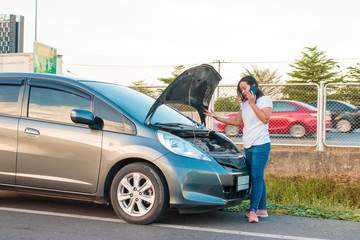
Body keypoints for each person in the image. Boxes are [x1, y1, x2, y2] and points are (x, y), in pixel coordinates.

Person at [205, 75, 273, 223]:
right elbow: (236, 122)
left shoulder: (264, 100)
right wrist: (217, 117)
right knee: (257, 177)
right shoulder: (244, 104)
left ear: (254, 86)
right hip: (248, 145)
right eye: (241, 89)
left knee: (256, 177)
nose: (243, 91)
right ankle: (262, 209)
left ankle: (253, 211)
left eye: (245, 88)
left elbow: (265, 118)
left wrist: (253, 103)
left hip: (261, 144)